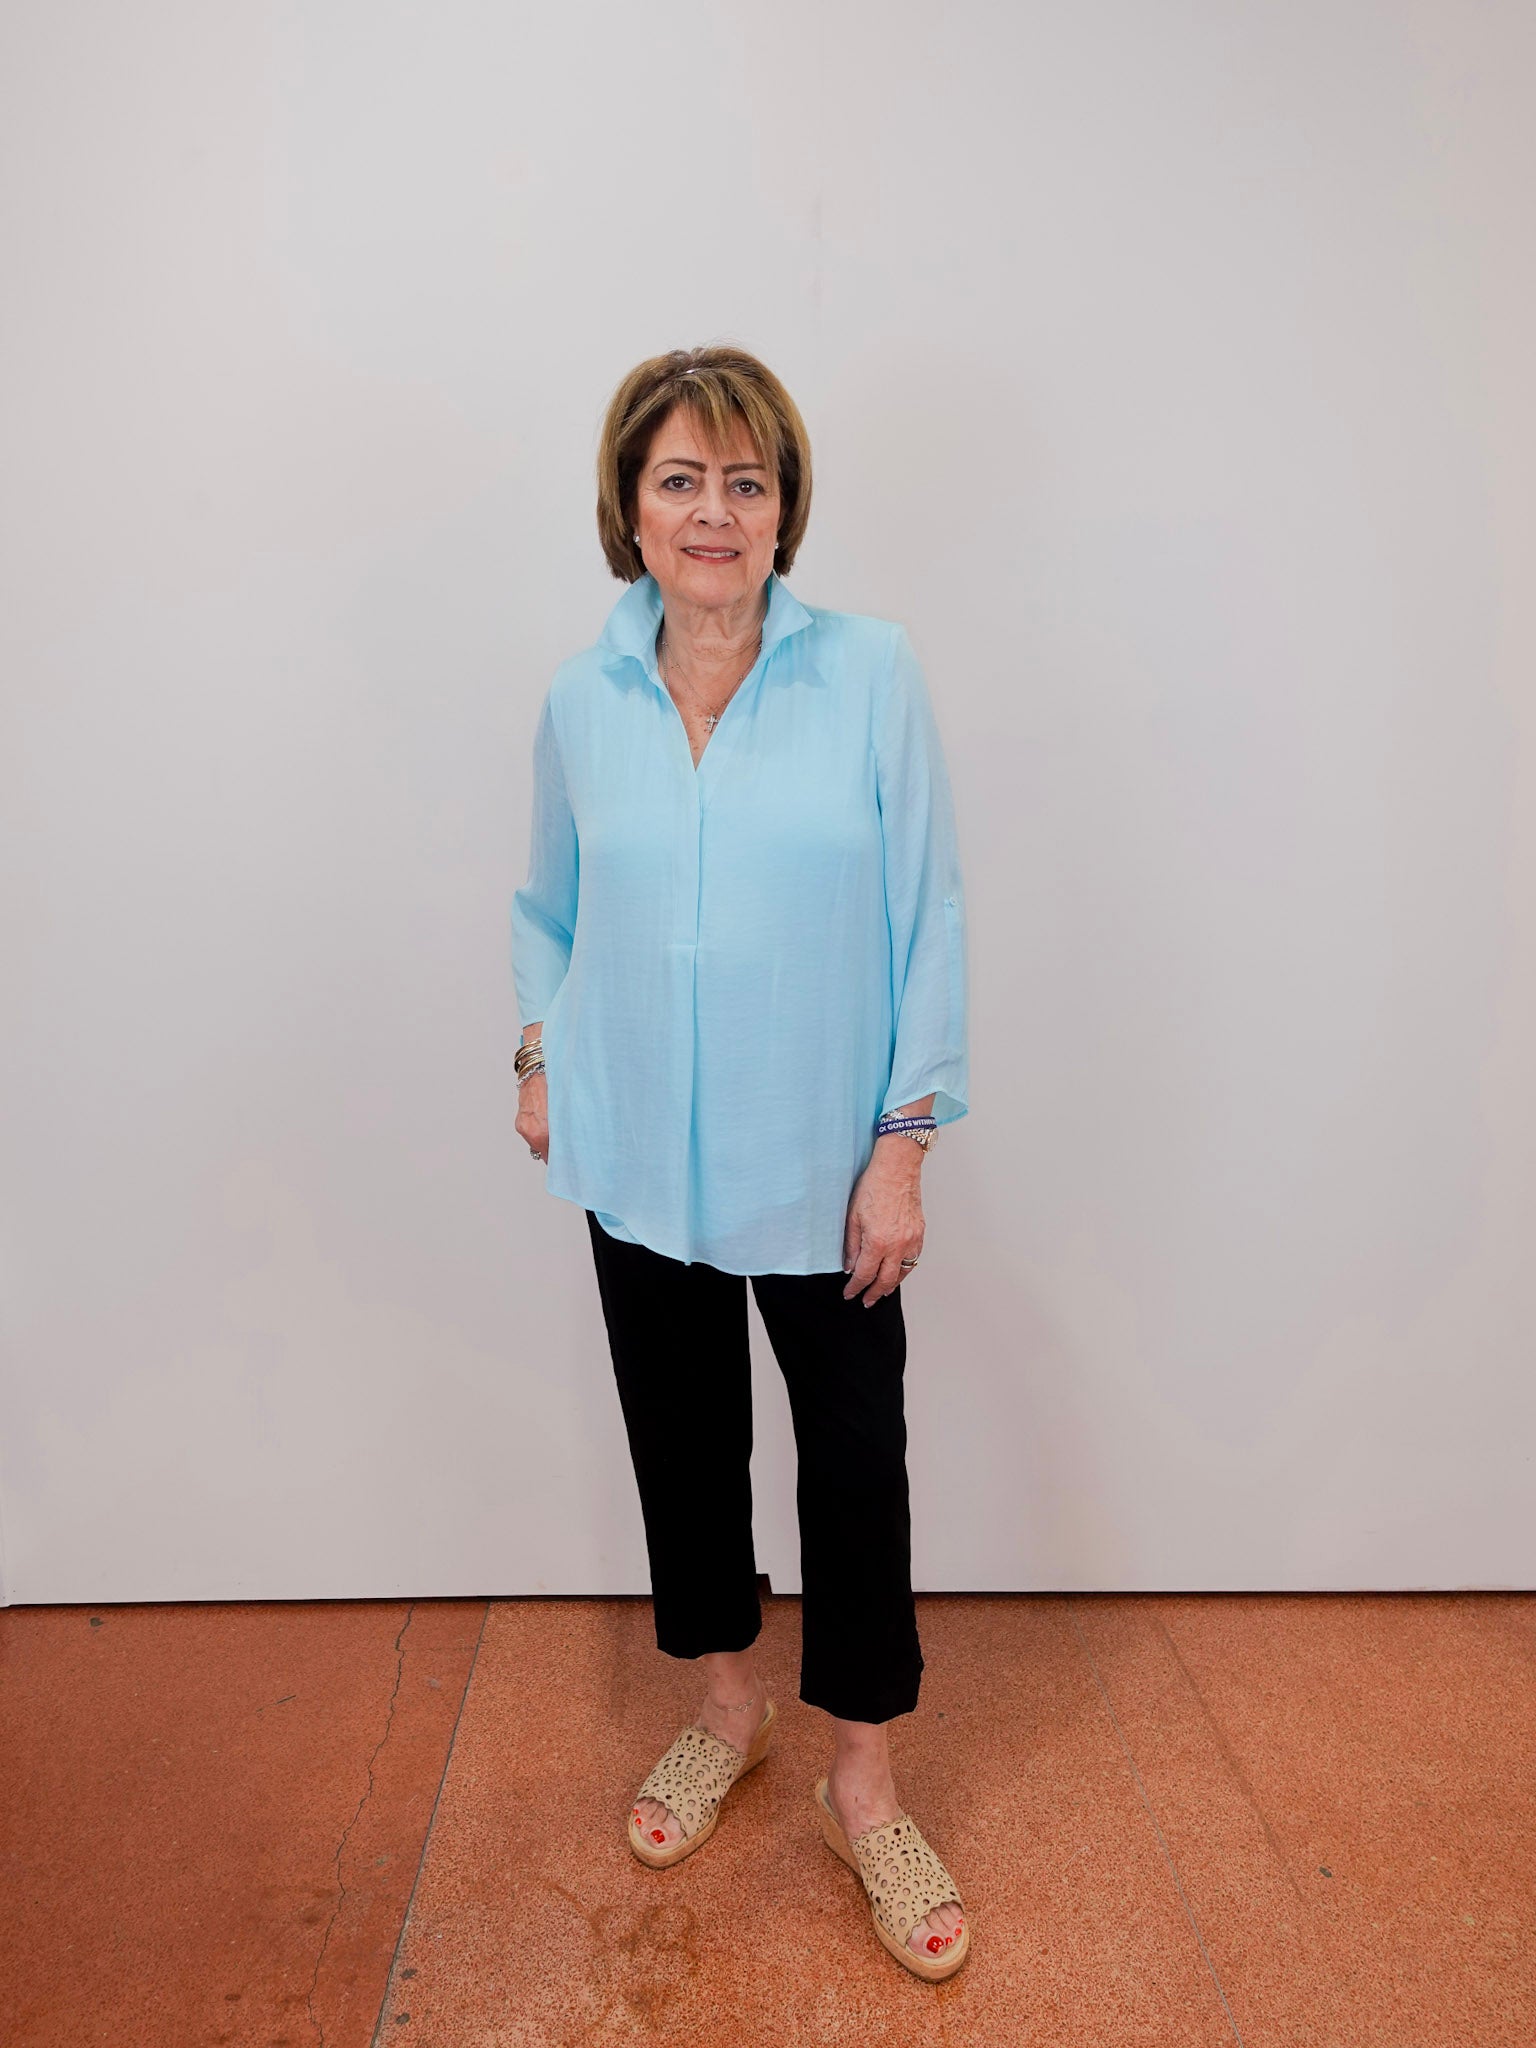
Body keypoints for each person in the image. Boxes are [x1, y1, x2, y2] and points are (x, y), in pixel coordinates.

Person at [509, 344, 972, 1978]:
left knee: (856, 1466)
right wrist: (539, 1048)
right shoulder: (584, 695)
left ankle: (865, 1774)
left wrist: (903, 1143)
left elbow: (930, 916)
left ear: (786, 510)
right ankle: (727, 1712)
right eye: (681, 480)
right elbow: (549, 909)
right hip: (637, 1148)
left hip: (822, 1161)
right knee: (684, 1447)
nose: (716, 512)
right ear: (629, 508)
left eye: (748, 481)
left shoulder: (871, 674)